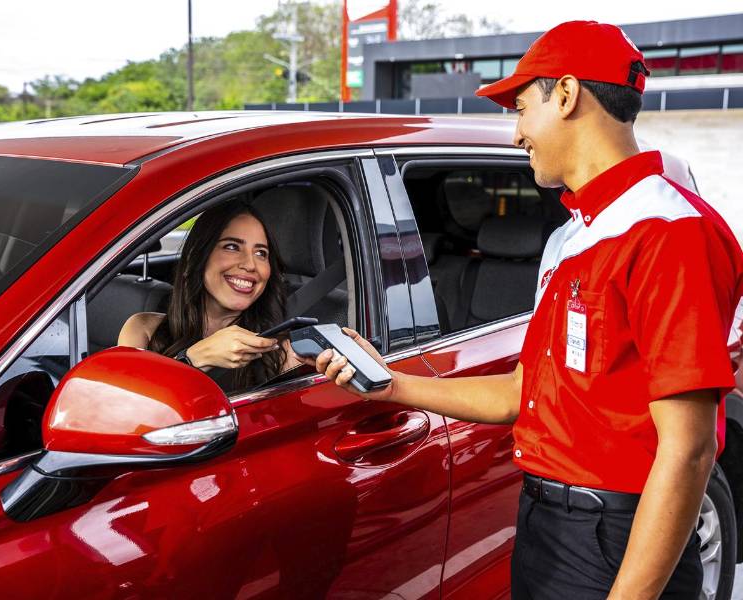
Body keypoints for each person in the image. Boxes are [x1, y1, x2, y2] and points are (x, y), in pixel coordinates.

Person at [308, 21, 743, 599]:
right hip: (549, 523)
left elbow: (689, 448)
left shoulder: (668, 233)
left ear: (565, 95)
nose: (517, 134)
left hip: (617, 534)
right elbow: (521, 393)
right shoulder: (574, 236)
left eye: (520, 109)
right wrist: (390, 385)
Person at [118, 201, 301, 391]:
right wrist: (194, 359)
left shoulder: (280, 350)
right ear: (197, 256)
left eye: (261, 253)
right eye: (232, 247)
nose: (250, 264)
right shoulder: (143, 331)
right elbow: (129, 411)